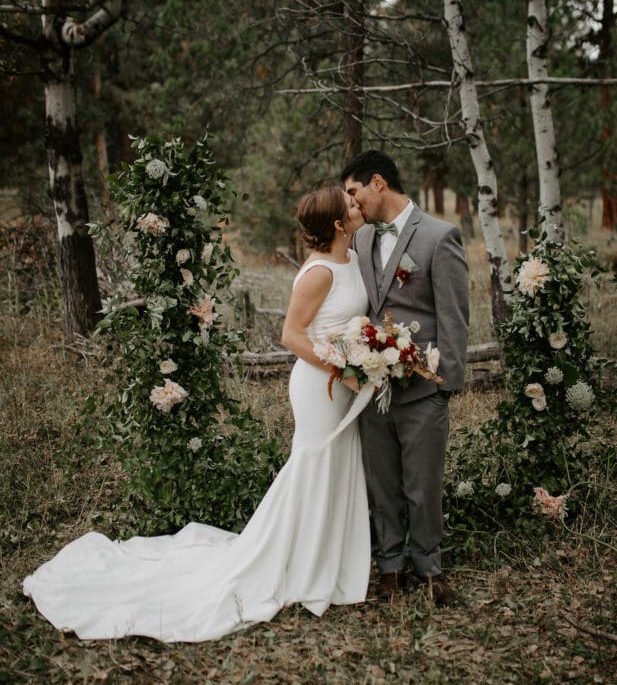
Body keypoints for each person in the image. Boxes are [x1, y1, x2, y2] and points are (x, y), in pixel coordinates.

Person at [23, 186, 373, 643]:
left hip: (342, 383)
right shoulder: (320, 273)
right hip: (320, 387)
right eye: (349, 204)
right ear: (338, 224)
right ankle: (299, 566)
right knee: (314, 465)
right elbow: (291, 335)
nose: (356, 203)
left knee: (339, 463)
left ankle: (332, 562)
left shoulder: (353, 259)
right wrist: (341, 368)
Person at [341, 150, 469, 605]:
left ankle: (430, 568)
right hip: (372, 390)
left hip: (423, 389)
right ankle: (390, 567)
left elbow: (454, 316)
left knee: (423, 485)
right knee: (383, 483)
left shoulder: (438, 236)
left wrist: (445, 385)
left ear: (378, 183)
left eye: (354, 193)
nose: (352, 205)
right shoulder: (359, 242)